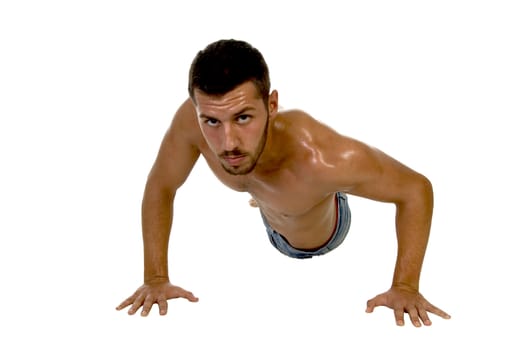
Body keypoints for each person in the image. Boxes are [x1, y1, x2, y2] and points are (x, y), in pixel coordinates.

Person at [116, 39, 451, 327]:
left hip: (321, 236)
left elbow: (415, 189)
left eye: (243, 117)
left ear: (272, 105)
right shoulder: (191, 121)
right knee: (266, 188)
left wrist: (405, 285)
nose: (227, 141)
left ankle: (315, 196)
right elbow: (161, 185)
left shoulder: (325, 159)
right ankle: (267, 198)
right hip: (271, 206)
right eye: (212, 121)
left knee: (301, 187)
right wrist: (155, 278)